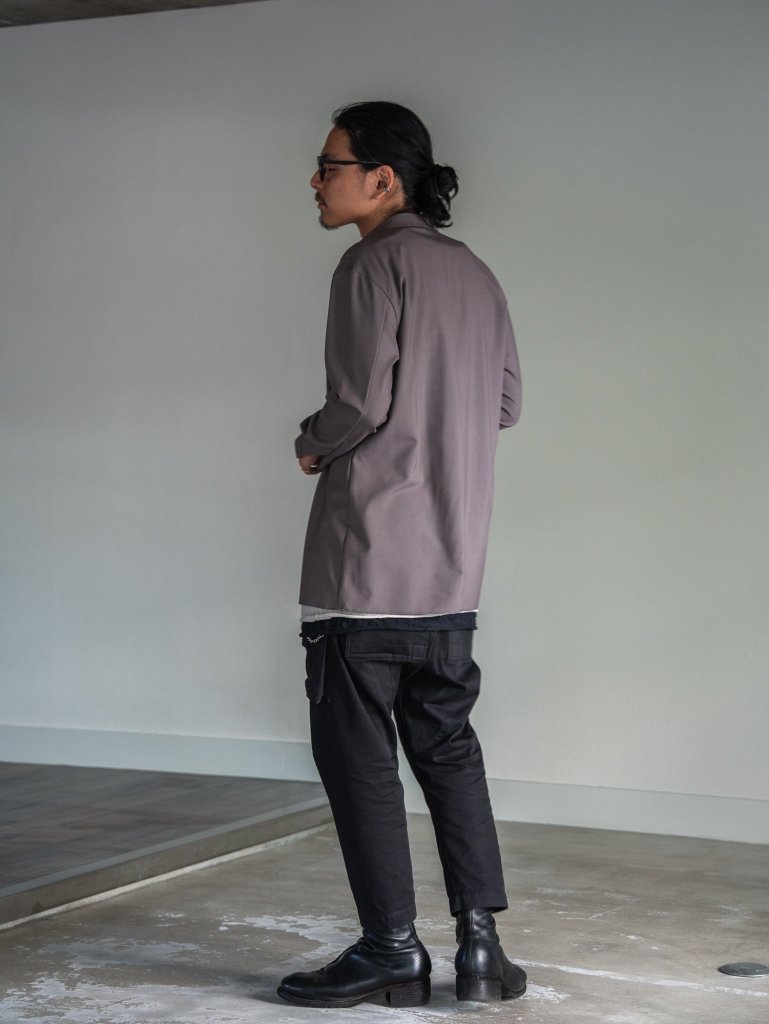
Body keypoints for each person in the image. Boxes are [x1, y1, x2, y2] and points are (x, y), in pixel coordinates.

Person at [277, 101, 525, 1010]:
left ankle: (389, 951)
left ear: (382, 179)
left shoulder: (369, 263)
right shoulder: (474, 274)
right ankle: (482, 951)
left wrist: (310, 442)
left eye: (329, 164)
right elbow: (505, 404)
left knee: (360, 762)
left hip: (367, 564)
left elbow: (358, 404)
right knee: (448, 751)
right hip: (451, 570)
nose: (315, 180)